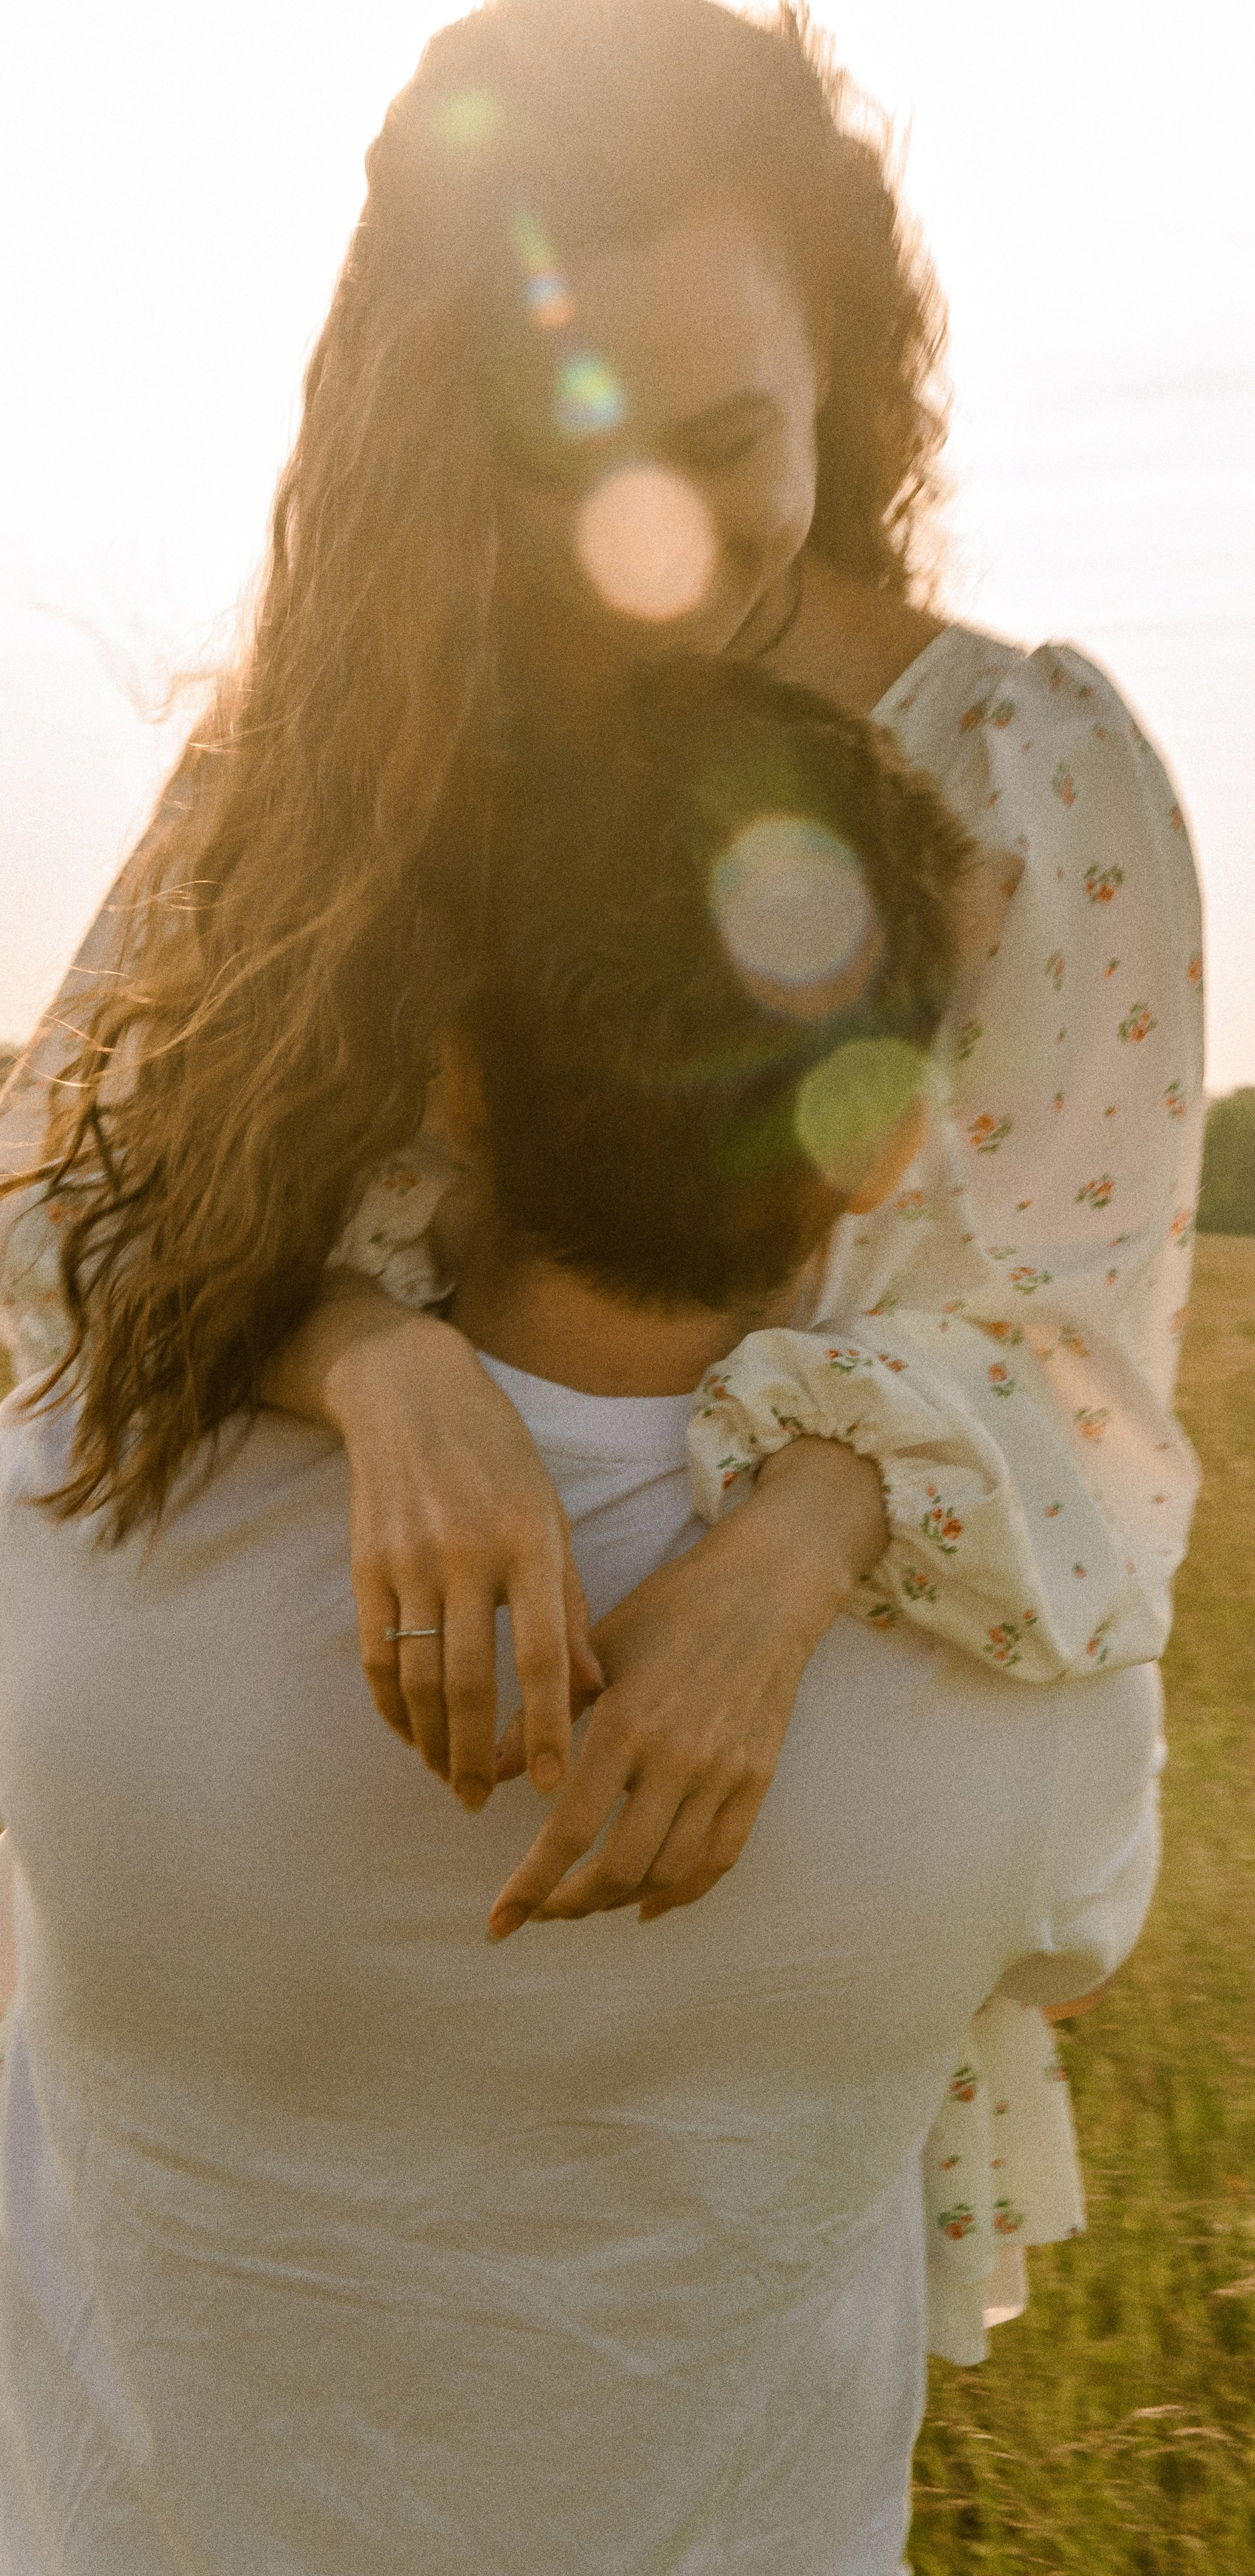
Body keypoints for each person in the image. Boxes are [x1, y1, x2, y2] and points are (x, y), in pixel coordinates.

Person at [0, 0, 1203, 2356]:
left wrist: (787, 1557)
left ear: (844, 360)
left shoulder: (1033, 779)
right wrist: (376, 1369)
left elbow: (1091, 1382)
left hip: (769, 1854)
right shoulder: (324, 759)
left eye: (728, 436)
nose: (655, 533)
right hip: (264, 1820)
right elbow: (49, 1211)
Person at [0, 662, 1164, 2575]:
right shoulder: (1028, 1658)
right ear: (883, 1141)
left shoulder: (71, 1499)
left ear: (444, 1069)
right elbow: (1080, 1948)